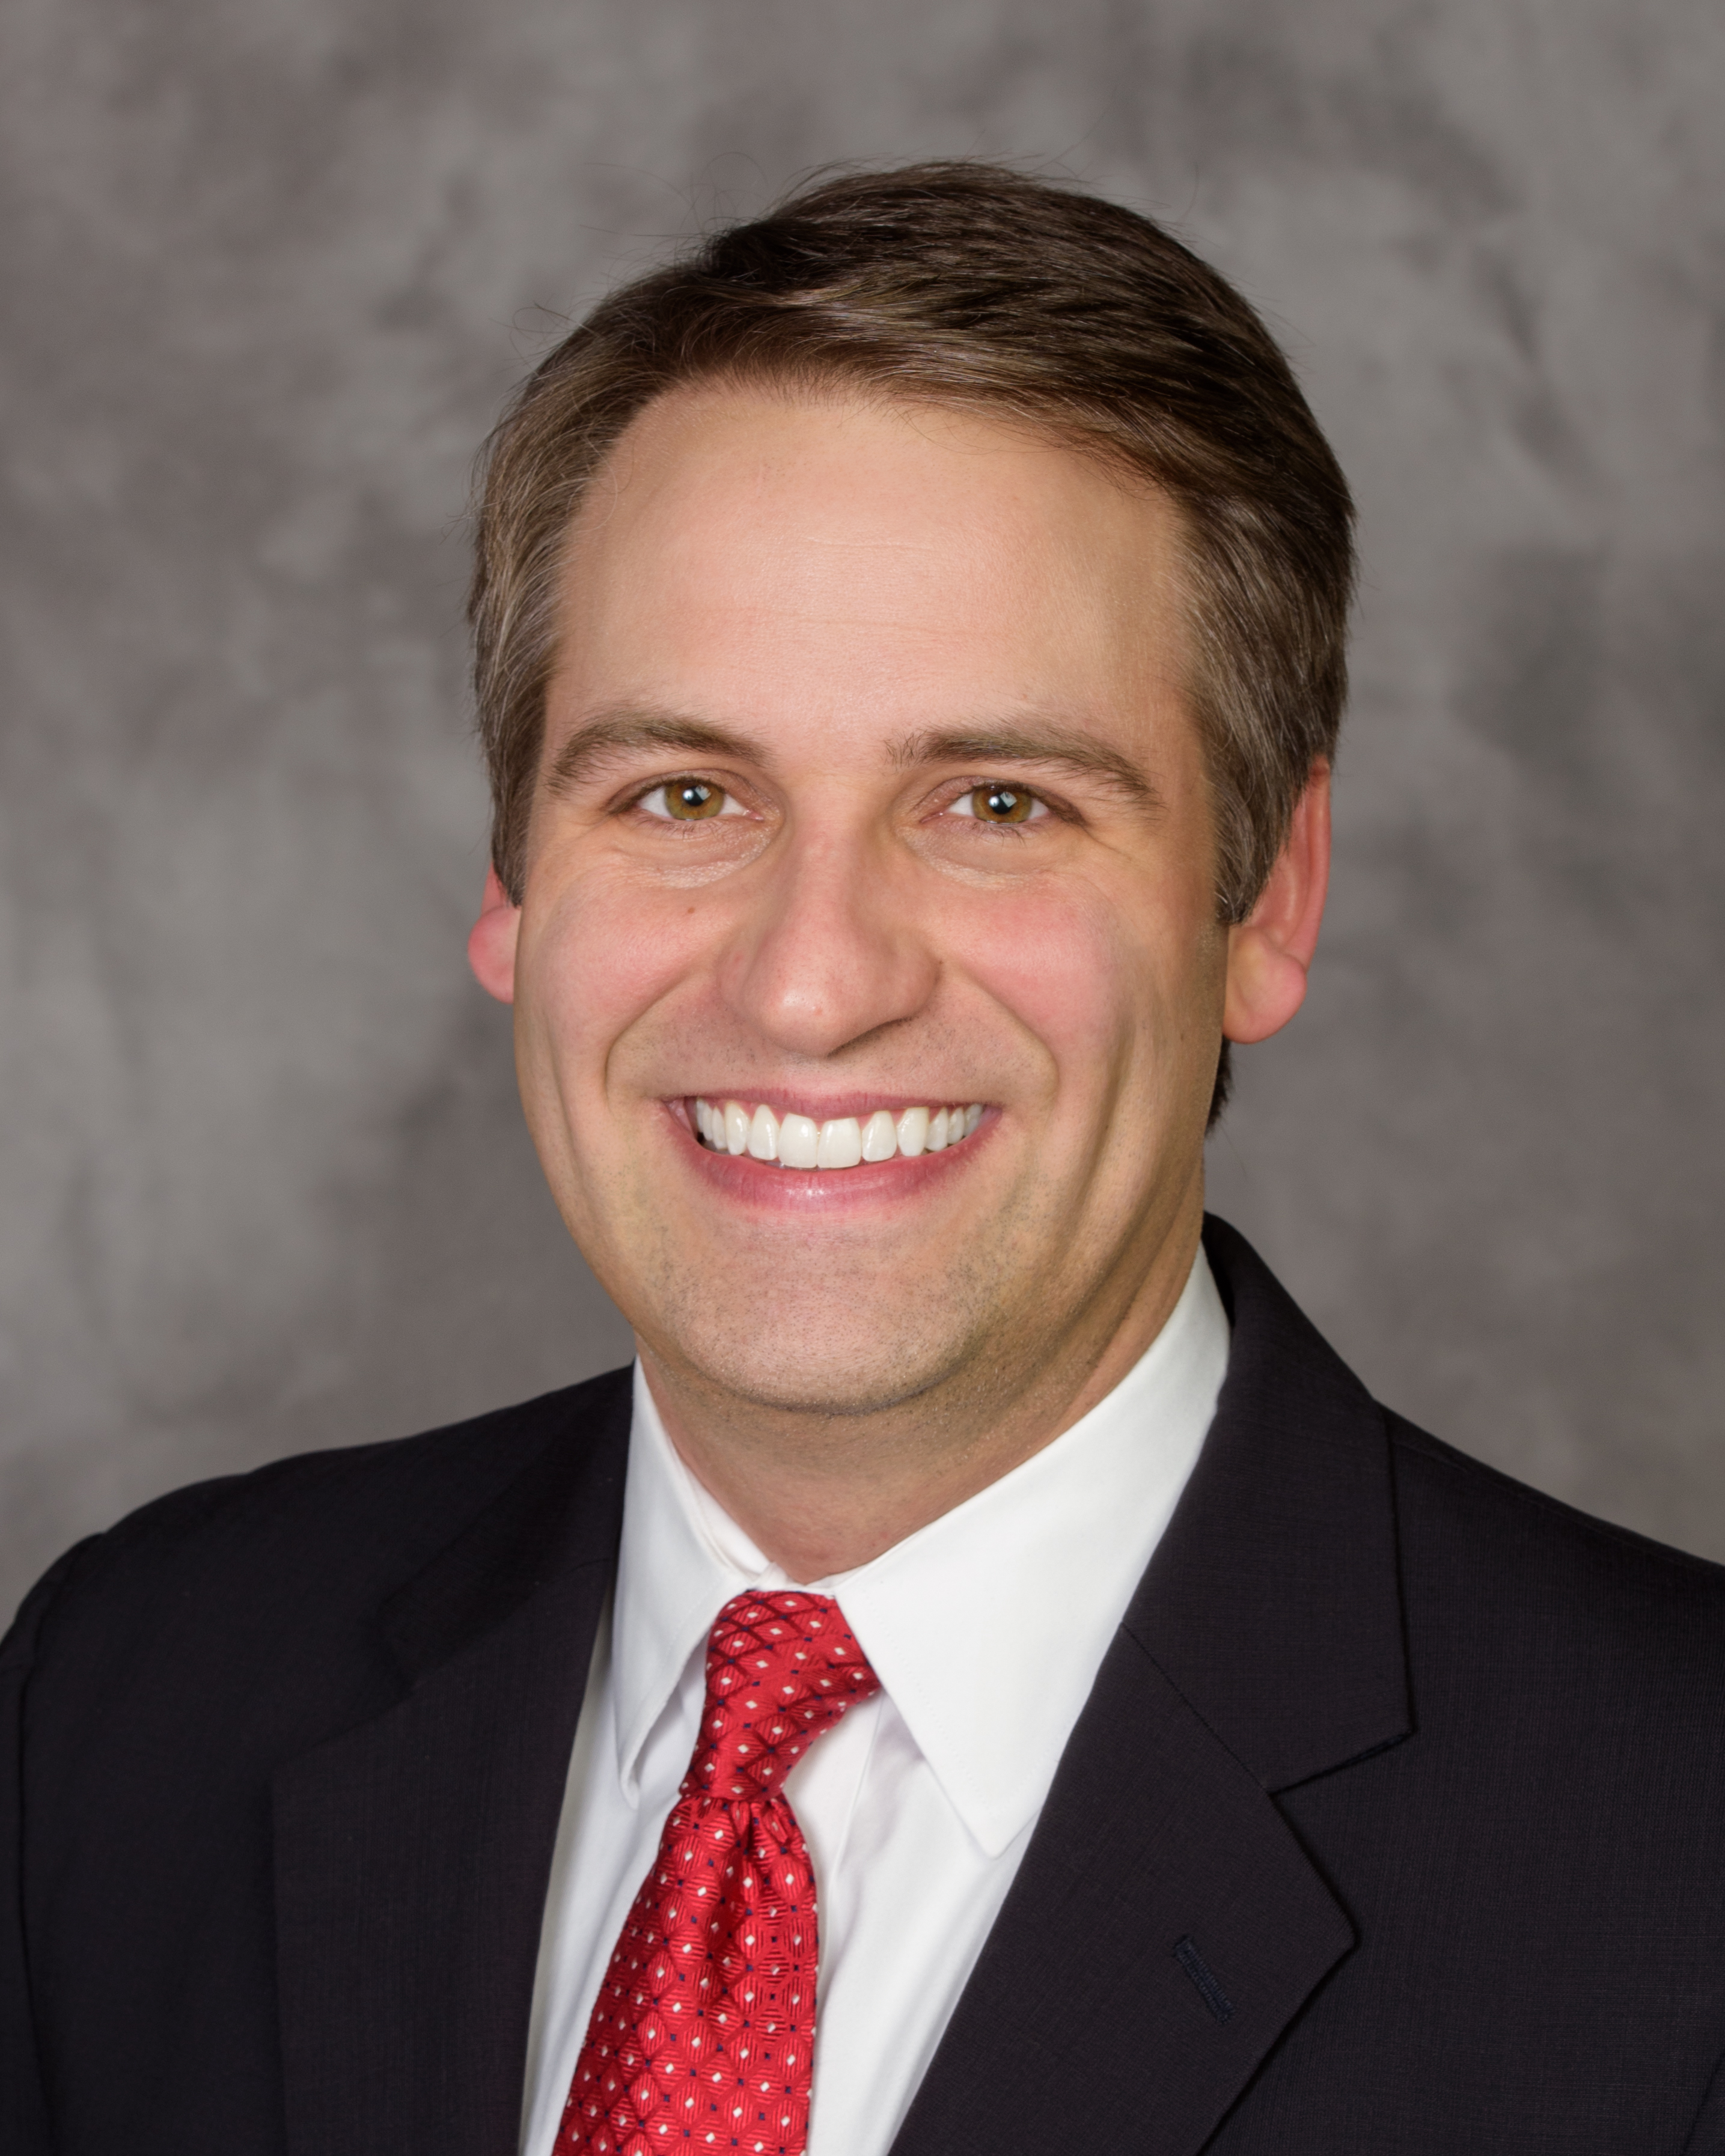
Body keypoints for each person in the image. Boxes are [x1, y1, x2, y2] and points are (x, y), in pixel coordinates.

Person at [5, 161, 1725, 2156]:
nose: (812, 984)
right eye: (685, 793)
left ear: (1267, 897)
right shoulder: (131, 1705)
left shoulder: (1678, 1862)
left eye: (997, 802)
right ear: (513, 885)